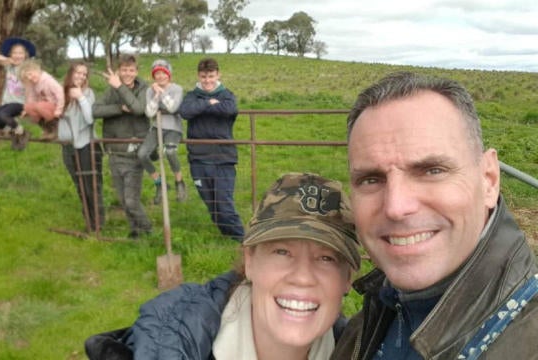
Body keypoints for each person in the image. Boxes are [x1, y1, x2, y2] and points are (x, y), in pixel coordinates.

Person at [331, 72, 538, 359]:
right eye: (371, 179)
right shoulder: (374, 315)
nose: (396, 206)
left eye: (432, 171)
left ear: (489, 179)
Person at [84, 172, 361, 360]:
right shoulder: (167, 343)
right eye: (282, 251)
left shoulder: (368, 350)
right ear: (249, 261)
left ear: (348, 278)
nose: (302, 277)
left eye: (327, 258)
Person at [179, 57, 244, 241]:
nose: (207, 81)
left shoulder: (226, 94)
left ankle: (244, 241)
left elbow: (230, 109)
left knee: (224, 204)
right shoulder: (192, 95)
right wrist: (209, 103)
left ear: (218, 75)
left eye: (211, 76)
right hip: (198, 159)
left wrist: (202, 108)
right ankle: (229, 238)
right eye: (203, 77)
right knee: (212, 205)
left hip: (223, 158)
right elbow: (185, 111)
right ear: (198, 76)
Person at [92, 54, 152, 239]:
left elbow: (139, 109)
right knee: (122, 198)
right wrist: (119, 108)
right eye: (124, 70)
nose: (127, 73)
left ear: (137, 71)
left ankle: (148, 230)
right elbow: (95, 110)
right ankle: (136, 231)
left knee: (131, 200)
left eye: (131, 70)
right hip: (115, 151)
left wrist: (119, 86)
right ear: (119, 70)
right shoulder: (111, 91)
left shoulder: (144, 89)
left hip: (134, 151)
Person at [57, 61, 104, 233]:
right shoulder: (62, 94)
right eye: (78, 72)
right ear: (71, 73)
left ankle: (97, 224)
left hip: (87, 145)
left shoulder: (88, 93)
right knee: (79, 185)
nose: (81, 76)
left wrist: (81, 98)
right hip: (68, 147)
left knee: (91, 185)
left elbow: (90, 119)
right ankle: (89, 221)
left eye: (84, 74)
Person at [137, 59, 187, 205]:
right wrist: (156, 95)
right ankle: (160, 183)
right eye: (157, 74)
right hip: (156, 127)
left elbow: (172, 108)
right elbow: (149, 112)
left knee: (170, 152)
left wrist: (162, 92)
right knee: (142, 154)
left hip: (173, 127)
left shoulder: (177, 89)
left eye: (163, 73)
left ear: (168, 74)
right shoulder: (149, 90)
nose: (160, 76)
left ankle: (179, 182)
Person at [0, 37, 34, 150]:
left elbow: (30, 89)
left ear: (25, 55)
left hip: (19, 103)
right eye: (15, 53)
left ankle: (22, 132)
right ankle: (14, 131)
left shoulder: (26, 69)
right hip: (7, 102)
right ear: (10, 54)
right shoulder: (9, 66)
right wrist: (8, 60)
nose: (18, 56)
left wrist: (28, 107)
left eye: (20, 53)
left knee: (3, 115)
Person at [18, 59, 65, 141]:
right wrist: (27, 110)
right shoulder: (33, 84)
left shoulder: (48, 81)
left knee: (39, 106)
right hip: (45, 108)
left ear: (37, 70)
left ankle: (55, 129)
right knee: (28, 107)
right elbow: (31, 98)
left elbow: (60, 93)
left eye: (30, 74)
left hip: (56, 107)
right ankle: (47, 129)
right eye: (27, 77)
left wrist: (59, 109)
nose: (29, 78)